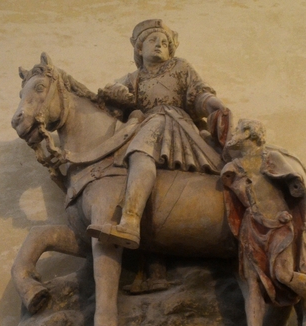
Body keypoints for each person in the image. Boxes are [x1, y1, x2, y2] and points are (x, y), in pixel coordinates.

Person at [87, 19, 230, 249]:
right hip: (146, 123)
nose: (159, 45)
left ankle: (130, 222)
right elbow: (116, 97)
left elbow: (197, 92)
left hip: (175, 124)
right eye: (152, 41)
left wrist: (212, 103)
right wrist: (115, 92)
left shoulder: (180, 68)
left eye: (164, 42)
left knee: (140, 153)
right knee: (133, 156)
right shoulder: (134, 78)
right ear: (139, 49)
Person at [221, 119, 306, 326]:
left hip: (279, 225)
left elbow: (295, 185)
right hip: (252, 226)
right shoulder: (231, 168)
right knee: (252, 278)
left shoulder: (272, 158)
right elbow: (235, 203)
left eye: (238, 130)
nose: (233, 134)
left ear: (248, 133)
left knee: (283, 274)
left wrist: (296, 202)